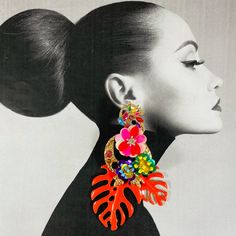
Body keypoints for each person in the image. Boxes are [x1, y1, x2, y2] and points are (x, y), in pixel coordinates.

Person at [0, 1, 223, 235]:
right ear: (124, 92)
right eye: (191, 63)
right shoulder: (111, 222)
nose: (217, 80)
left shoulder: (98, 208)